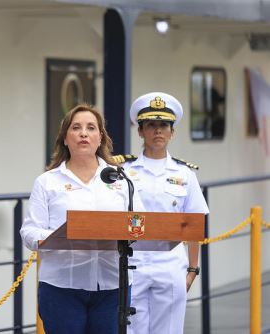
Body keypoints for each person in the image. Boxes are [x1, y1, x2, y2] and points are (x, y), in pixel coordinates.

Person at [20, 104, 144, 334]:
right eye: (76, 128)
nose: (84, 133)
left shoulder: (121, 179)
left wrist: (126, 233)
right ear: (65, 138)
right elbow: (29, 232)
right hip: (61, 287)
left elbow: (140, 223)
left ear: (100, 138)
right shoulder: (47, 182)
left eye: (91, 128)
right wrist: (61, 237)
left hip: (112, 286)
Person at [120, 92, 209, 334]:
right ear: (140, 131)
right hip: (132, 262)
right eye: (151, 125)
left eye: (164, 126)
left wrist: (192, 269)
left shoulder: (185, 174)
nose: (158, 131)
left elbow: (194, 223)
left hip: (170, 265)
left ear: (172, 132)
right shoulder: (123, 170)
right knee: (131, 330)